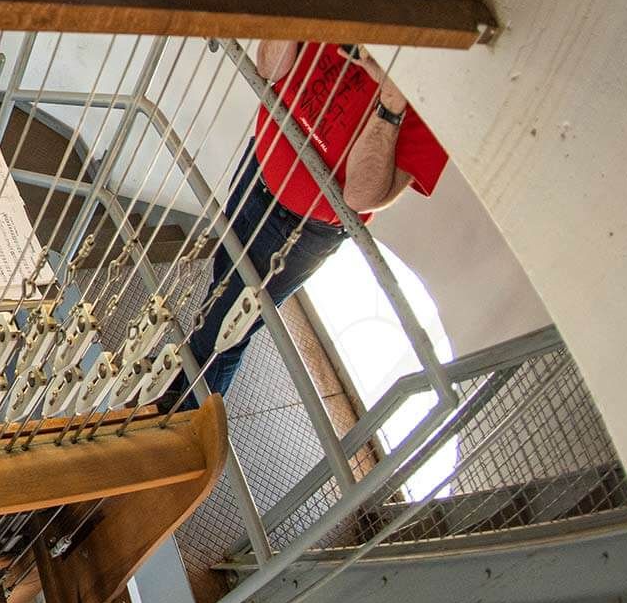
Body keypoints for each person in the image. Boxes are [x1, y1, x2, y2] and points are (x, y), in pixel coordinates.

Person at [164, 40, 450, 410]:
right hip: (259, 170)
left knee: (228, 329)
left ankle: (185, 415)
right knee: (221, 288)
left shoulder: (435, 96)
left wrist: (392, 103)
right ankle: (182, 381)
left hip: (300, 231)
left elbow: (360, 196)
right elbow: (271, 70)